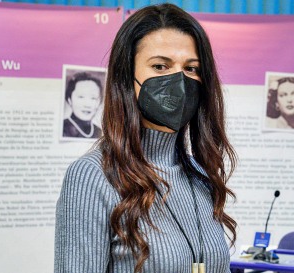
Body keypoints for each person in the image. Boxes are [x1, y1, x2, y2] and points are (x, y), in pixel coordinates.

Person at [54, 4, 237, 273]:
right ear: (128, 77)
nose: (178, 80)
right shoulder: (93, 176)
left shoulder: (200, 176)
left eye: (191, 68)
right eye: (160, 66)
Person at [62, 71, 103, 138]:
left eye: (93, 98)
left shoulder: (99, 131)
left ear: (99, 102)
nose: (87, 105)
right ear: (69, 100)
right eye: (81, 97)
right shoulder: (62, 128)